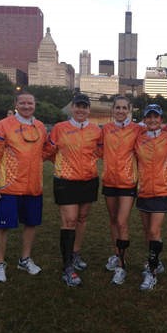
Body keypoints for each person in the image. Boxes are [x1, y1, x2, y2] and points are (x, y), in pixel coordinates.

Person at [0, 91, 47, 283]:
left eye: (30, 103)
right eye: (23, 103)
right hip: (9, 186)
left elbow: (45, 151)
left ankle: (25, 259)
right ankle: (0, 264)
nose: (27, 106)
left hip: (34, 187)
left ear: (35, 105)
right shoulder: (3, 125)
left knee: (31, 223)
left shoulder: (40, 127)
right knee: (3, 226)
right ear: (16, 104)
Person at [45, 94, 101, 287]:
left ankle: (75, 254)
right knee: (69, 220)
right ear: (72, 108)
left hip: (89, 180)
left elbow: (100, 151)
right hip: (66, 181)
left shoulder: (95, 130)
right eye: (78, 106)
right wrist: (62, 164)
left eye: (85, 107)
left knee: (82, 218)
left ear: (89, 110)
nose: (81, 110)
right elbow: (47, 151)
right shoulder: (60, 128)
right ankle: (67, 266)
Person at [135, 104, 167, 290]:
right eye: (149, 117)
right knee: (148, 233)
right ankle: (156, 261)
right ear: (144, 119)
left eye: (156, 117)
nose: (152, 120)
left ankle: (151, 274)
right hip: (143, 191)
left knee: (154, 231)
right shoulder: (139, 138)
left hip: (162, 191)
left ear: (161, 119)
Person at [101, 95, 141, 285]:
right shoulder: (106, 129)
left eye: (124, 108)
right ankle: (116, 254)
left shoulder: (137, 129)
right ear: (113, 110)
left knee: (121, 221)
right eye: (118, 108)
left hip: (127, 183)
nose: (121, 111)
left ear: (129, 110)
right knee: (113, 221)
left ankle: (121, 265)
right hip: (109, 181)